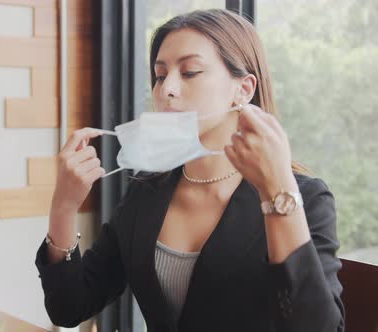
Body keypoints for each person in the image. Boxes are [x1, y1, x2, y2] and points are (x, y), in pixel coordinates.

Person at [35, 9, 344, 332]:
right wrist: (64, 207)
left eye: (190, 72)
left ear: (244, 89)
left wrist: (277, 194)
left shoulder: (304, 198)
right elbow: (69, 308)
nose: (166, 88)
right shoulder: (147, 192)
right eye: (159, 75)